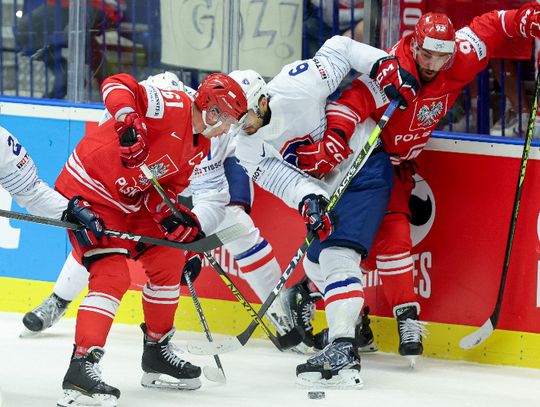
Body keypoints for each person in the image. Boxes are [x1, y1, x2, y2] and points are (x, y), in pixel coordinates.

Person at [294, 3, 540, 367]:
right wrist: (334, 141)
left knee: (364, 242)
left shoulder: (459, 57)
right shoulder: (393, 68)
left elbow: (491, 25)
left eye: (441, 57)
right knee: (386, 234)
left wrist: (528, 17)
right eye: (426, 54)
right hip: (368, 160)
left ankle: (313, 297)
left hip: (401, 166)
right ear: (415, 45)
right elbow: (350, 103)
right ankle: (400, 318)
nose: (432, 64)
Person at [22, 71, 301, 351]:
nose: (240, 124)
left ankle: (279, 315)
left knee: (237, 226)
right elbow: (118, 96)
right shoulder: (164, 102)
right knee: (105, 232)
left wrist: (192, 237)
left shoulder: (216, 135)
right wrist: (128, 125)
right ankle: (59, 299)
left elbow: (212, 198)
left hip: (173, 181)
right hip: (132, 176)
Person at [233, 35, 418, 387]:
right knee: (314, 264)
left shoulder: (296, 84)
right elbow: (276, 176)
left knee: (336, 258)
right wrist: (308, 198)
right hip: (329, 188)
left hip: (362, 167)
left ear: (261, 100)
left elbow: (340, 47)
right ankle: (356, 329)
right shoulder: (245, 142)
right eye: (232, 118)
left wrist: (383, 66)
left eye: (243, 115)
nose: (239, 124)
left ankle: (343, 350)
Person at [54, 71, 247, 407]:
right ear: (213, 111)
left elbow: (165, 188)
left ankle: (156, 352)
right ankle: (80, 368)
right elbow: (117, 82)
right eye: (229, 119)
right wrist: (127, 118)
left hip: (130, 200)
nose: (229, 128)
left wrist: (171, 216)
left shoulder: (199, 146)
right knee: (112, 274)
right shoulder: (171, 105)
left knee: (169, 259)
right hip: (90, 191)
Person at [13, 0, 125, 99]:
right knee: (23, 30)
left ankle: (112, 87)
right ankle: (63, 72)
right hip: (61, 4)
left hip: (99, 5)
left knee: (75, 36)